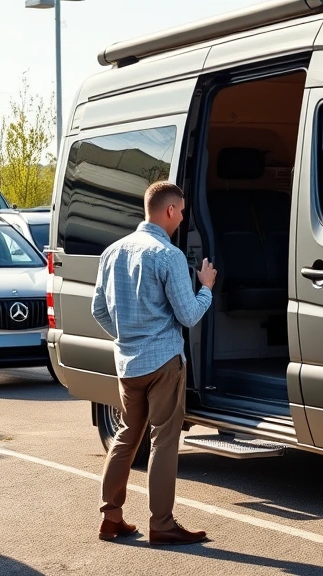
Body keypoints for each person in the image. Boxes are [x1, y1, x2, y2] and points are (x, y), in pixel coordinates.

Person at [91, 180, 217, 546]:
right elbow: (190, 314)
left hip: (128, 363)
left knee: (126, 436)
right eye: (180, 210)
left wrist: (125, 336)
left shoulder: (113, 252)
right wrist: (206, 286)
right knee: (164, 440)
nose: (181, 218)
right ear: (170, 210)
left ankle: (110, 518)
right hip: (163, 361)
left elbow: (98, 308)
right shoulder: (169, 256)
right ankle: (162, 524)